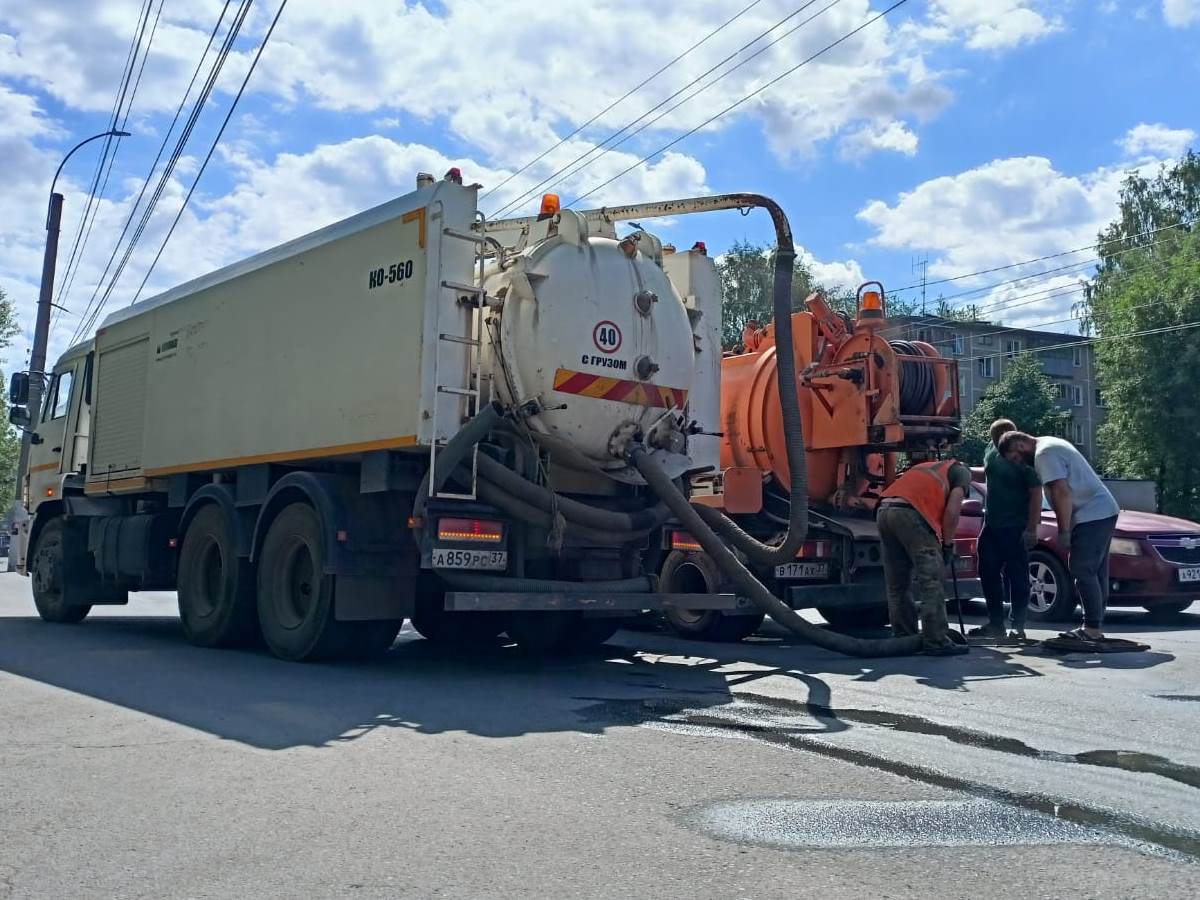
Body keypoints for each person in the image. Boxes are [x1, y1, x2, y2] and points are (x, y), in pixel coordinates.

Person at [998, 431, 1120, 642]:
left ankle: (1091, 629)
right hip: (1102, 509)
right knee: (1096, 572)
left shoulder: (1043, 454)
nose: (1019, 463)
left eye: (1016, 458)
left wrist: (1064, 530)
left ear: (1020, 446)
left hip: (1091, 513)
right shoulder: (1050, 444)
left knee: (1082, 569)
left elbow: (1061, 492)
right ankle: (1095, 625)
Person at [877, 455, 974, 655]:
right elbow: (952, 511)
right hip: (910, 514)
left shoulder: (929, 467)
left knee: (898, 581)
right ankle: (936, 640)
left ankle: (904, 635)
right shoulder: (961, 471)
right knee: (931, 579)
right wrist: (947, 545)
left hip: (885, 510)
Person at [969, 419, 1041, 642]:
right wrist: (966, 471)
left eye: (997, 440)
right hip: (991, 524)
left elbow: (1036, 492)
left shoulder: (1025, 460)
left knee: (1018, 574)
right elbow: (989, 473)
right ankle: (995, 624)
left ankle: (1018, 625)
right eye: (992, 441)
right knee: (988, 571)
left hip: (1015, 525)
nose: (994, 444)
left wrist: (1031, 528)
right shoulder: (992, 449)